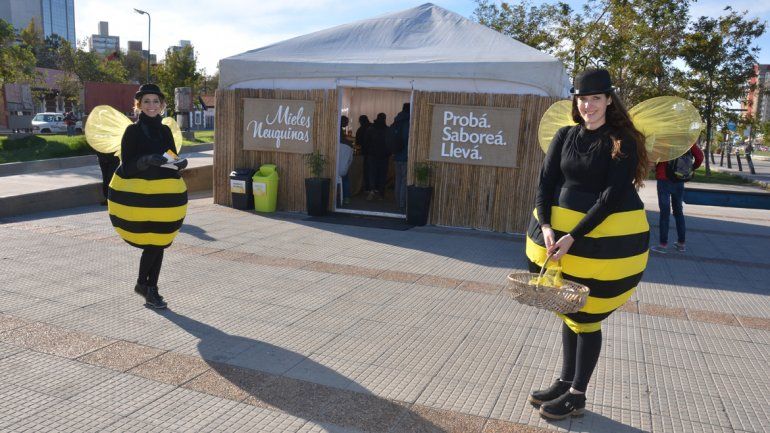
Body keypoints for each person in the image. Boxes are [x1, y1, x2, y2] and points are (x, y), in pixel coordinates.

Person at [525, 68, 650, 420]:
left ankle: (577, 395)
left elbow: (611, 196)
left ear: (609, 100)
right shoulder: (564, 135)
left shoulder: (622, 141)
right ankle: (565, 381)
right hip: (558, 243)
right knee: (569, 312)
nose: (588, 105)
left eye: (596, 98)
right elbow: (545, 183)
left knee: (589, 318)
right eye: (582, 98)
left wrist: (573, 236)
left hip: (601, 246)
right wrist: (546, 226)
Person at [108, 83, 188, 309]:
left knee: (160, 242)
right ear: (139, 105)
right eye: (146, 102)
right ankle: (147, 287)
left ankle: (147, 287)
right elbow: (126, 165)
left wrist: (179, 162)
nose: (151, 106)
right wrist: (145, 160)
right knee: (154, 244)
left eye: (155, 101)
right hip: (139, 197)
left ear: (162, 105)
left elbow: (171, 156)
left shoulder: (164, 130)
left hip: (163, 196)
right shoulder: (132, 131)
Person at [651, 143, 704, 253]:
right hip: (679, 179)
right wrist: (691, 167)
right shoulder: (687, 140)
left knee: (664, 213)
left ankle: (663, 244)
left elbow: (654, 157)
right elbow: (699, 156)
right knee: (678, 212)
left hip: (663, 179)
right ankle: (681, 244)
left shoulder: (665, 139)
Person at [366, 113, 392, 200]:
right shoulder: (387, 130)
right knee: (382, 175)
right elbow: (390, 143)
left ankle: (372, 192)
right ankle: (381, 194)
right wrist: (389, 153)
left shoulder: (371, 129)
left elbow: (366, 142)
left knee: (372, 174)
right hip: (384, 156)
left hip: (372, 155)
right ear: (385, 119)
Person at [391, 103, 410, 210]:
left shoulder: (396, 121)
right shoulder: (407, 122)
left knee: (398, 179)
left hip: (396, 155)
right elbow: (406, 139)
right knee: (404, 179)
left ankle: (397, 201)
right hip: (404, 155)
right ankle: (401, 203)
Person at [338, 116, 354, 205]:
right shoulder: (339, 131)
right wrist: (350, 144)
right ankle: (346, 197)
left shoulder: (338, 129)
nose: (347, 124)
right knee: (345, 178)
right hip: (342, 162)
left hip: (338, 159)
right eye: (346, 122)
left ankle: (342, 196)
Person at [356, 115, 372, 193]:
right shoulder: (372, 127)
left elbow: (357, 143)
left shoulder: (360, 130)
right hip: (374, 153)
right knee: (372, 171)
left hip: (364, 153)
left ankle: (367, 187)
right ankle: (374, 188)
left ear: (360, 121)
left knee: (366, 171)